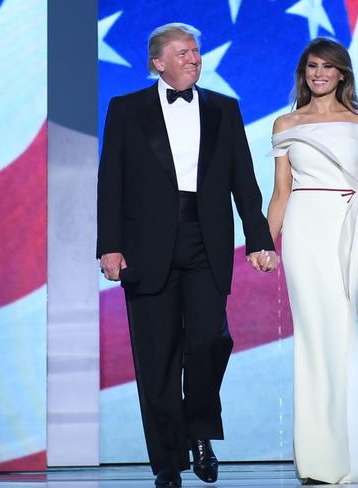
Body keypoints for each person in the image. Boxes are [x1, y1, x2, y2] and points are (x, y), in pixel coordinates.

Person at [97, 23, 277, 488]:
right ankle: (167, 461)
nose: (194, 59)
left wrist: (258, 238)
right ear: (158, 62)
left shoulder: (224, 109)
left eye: (196, 51)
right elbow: (110, 181)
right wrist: (109, 246)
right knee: (156, 359)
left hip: (206, 238)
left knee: (209, 342)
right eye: (183, 53)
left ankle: (200, 432)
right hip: (144, 245)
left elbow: (244, 180)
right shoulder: (126, 109)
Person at [267, 37, 358, 484]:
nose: (319, 73)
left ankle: (345, 458)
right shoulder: (284, 124)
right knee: (312, 338)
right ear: (305, 72)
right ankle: (316, 460)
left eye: (328, 67)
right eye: (313, 66)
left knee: (341, 335)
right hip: (303, 229)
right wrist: (263, 243)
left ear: (342, 74)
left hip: (349, 228)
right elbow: (280, 193)